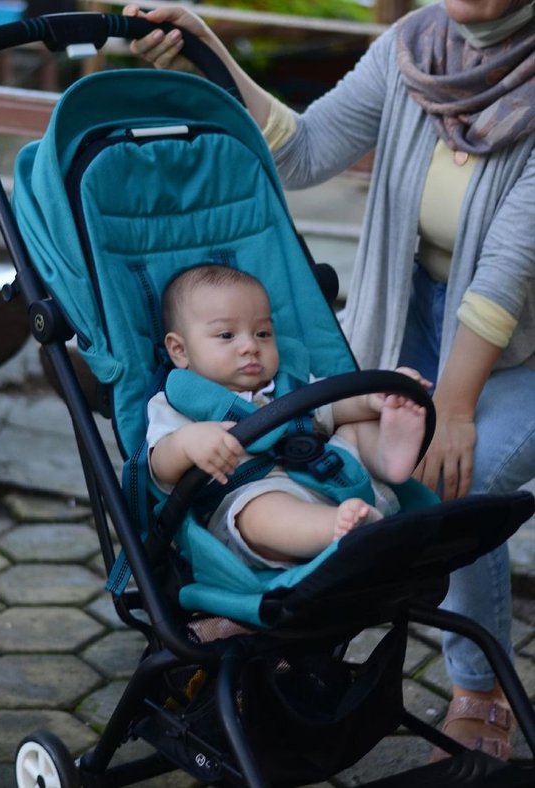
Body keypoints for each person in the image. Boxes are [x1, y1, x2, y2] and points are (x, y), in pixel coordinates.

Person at [124, 0, 535, 759]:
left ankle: (479, 687)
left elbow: (506, 274)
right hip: (420, 311)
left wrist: (457, 405)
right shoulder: (414, 51)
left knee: (459, 476)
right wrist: (211, 52)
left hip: (521, 338)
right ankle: (296, 617)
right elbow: (303, 149)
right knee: (364, 447)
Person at [148, 264, 428, 566]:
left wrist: (375, 399)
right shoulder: (180, 402)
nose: (250, 346)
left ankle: (389, 459)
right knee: (258, 516)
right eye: (227, 335)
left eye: (263, 333)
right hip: (254, 495)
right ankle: (339, 529)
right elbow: (158, 466)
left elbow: (332, 406)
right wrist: (187, 443)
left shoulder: (286, 383)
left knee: (358, 424)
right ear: (180, 350)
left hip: (328, 474)